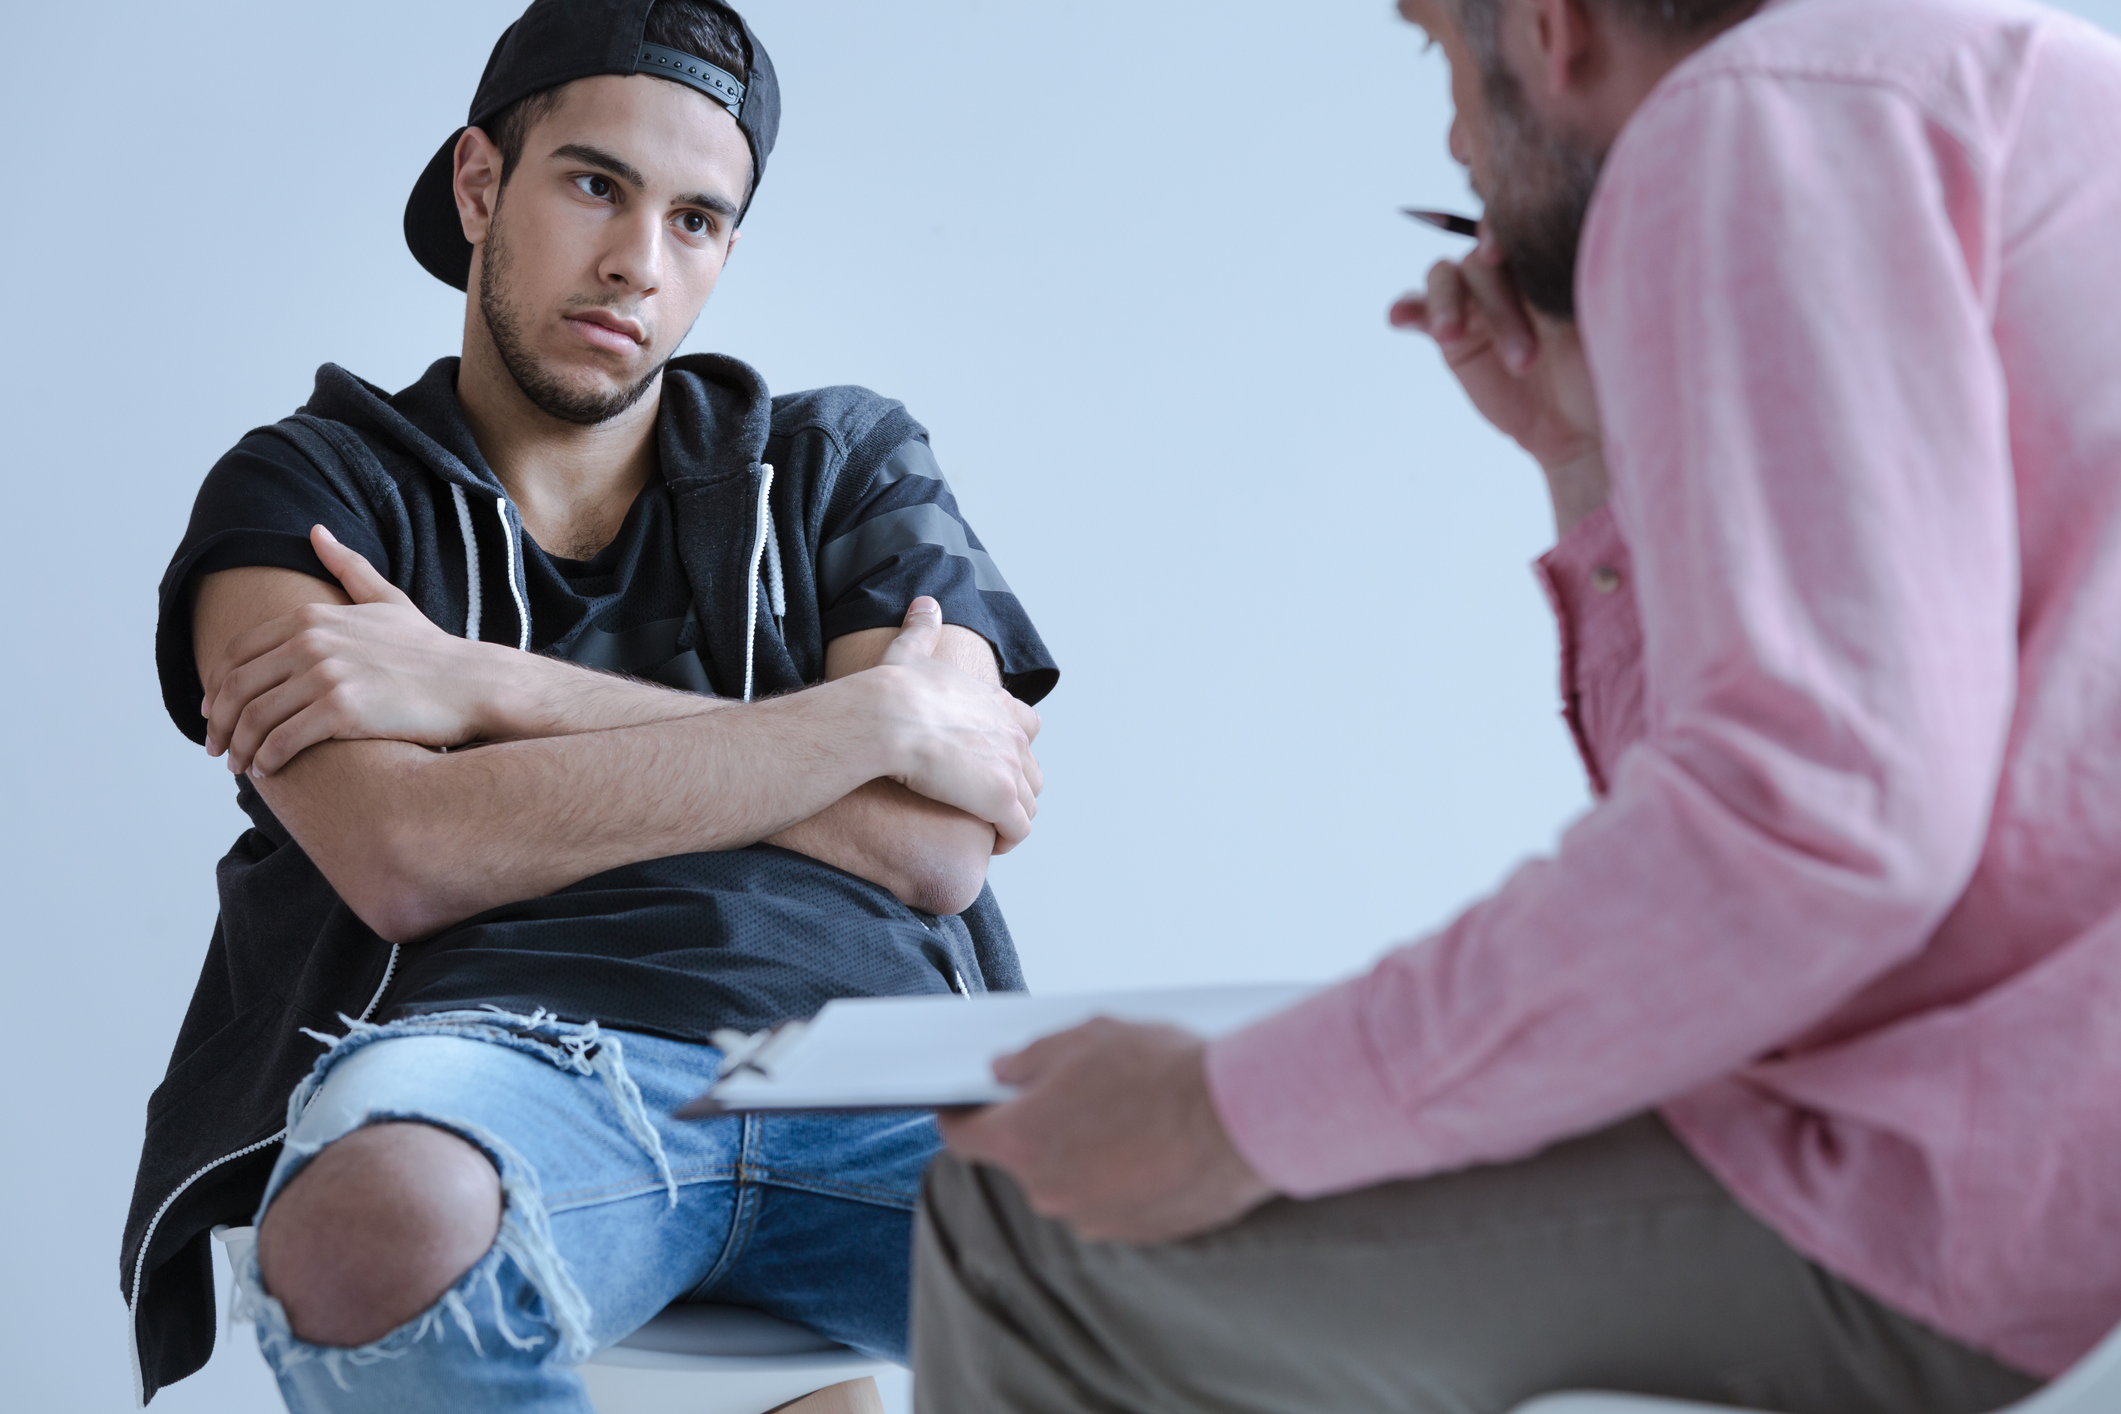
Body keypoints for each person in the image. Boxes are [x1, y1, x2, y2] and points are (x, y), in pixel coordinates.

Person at [910, 0, 2121, 1409]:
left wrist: (1220, 1114)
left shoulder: (1746, 119)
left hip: (2003, 1183)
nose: (1451, 139)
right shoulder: (2017, 85)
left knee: (1032, 1236)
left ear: (1547, 29)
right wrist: (1583, 465)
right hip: (2039, 1124)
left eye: (1435, 49)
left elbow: (1807, 839)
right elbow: (1807, 830)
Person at [117, 2, 1058, 1409]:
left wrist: (482, 686)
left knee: (1242, 1232)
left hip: (870, 1068)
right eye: (594, 184)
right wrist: (860, 729)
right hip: (506, 1068)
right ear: (481, 182)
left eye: (696, 221)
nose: (637, 261)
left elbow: (934, 847)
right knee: (372, 1221)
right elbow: (407, 853)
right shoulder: (304, 497)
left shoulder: (845, 459)